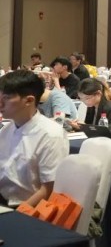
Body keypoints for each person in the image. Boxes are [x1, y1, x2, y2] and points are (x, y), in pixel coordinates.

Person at [0, 70, 69, 207]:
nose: (0, 104)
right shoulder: (7, 129)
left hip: (22, 207)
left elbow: (49, 189)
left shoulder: (51, 135)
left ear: (29, 100)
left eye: (6, 98)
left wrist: (19, 214)